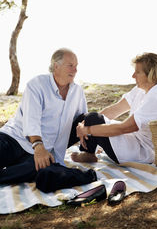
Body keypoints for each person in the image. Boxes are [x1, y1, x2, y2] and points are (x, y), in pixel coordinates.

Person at [0, 48, 96, 193]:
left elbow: (81, 117)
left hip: (43, 151)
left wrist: (84, 129)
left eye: (76, 66)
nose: (75, 70)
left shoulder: (77, 92)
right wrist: (39, 147)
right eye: (70, 65)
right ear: (55, 66)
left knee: (42, 170)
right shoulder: (37, 84)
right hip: (13, 139)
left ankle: (84, 176)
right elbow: (31, 120)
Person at [71, 52, 157, 165]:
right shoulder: (143, 89)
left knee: (94, 119)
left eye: (138, 72)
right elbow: (115, 110)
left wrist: (87, 130)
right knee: (91, 117)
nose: (133, 76)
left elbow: (124, 128)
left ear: (151, 74)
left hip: (144, 153)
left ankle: (88, 153)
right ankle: (87, 153)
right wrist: (85, 123)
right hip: (135, 141)